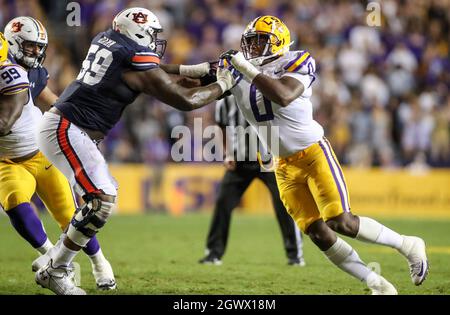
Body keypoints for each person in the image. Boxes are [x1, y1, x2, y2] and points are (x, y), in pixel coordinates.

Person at [217, 15, 428, 294]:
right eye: (251, 42)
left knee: (341, 221)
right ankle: (375, 282)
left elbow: (282, 95)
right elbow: (199, 78)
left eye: (261, 41)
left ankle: (407, 244)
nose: (254, 48)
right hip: (281, 163)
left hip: (312, 152)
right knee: (317, 232)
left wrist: (244, 68)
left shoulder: (298, 60)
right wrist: (151, 70)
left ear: (278, 43)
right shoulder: (243, 70)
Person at [34, 7, 234, 295]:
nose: (154, 42)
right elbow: (185, 100)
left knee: (99, 201)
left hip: (67, 127)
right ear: (138, 33)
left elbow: (153, 74)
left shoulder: (110, 41)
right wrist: (223, 84)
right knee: (100, 200)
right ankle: (55, 269)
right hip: (67, 128)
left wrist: (191, 70)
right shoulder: (133, 58)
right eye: (152, 35)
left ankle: (55, 263)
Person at [2, 17, 116, 290]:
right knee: (15, 202)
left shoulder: (25, 73)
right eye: (29, 46)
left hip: (40, 153)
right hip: (7, 161)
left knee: (70, 213)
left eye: (37, 46)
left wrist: (78, 122)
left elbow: (50, 100)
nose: (35, 52)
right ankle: (52, 257)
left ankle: (99, 261)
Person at [199, 94, 304, 266]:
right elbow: (220, 127)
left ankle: (295, 255)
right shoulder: (225, 98)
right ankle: (213, 253)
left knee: (284, 204)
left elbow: (283, 122)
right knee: (223, 203)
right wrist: (226, 153)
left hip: (269, 159)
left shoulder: (266, 93)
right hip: (239, 161)